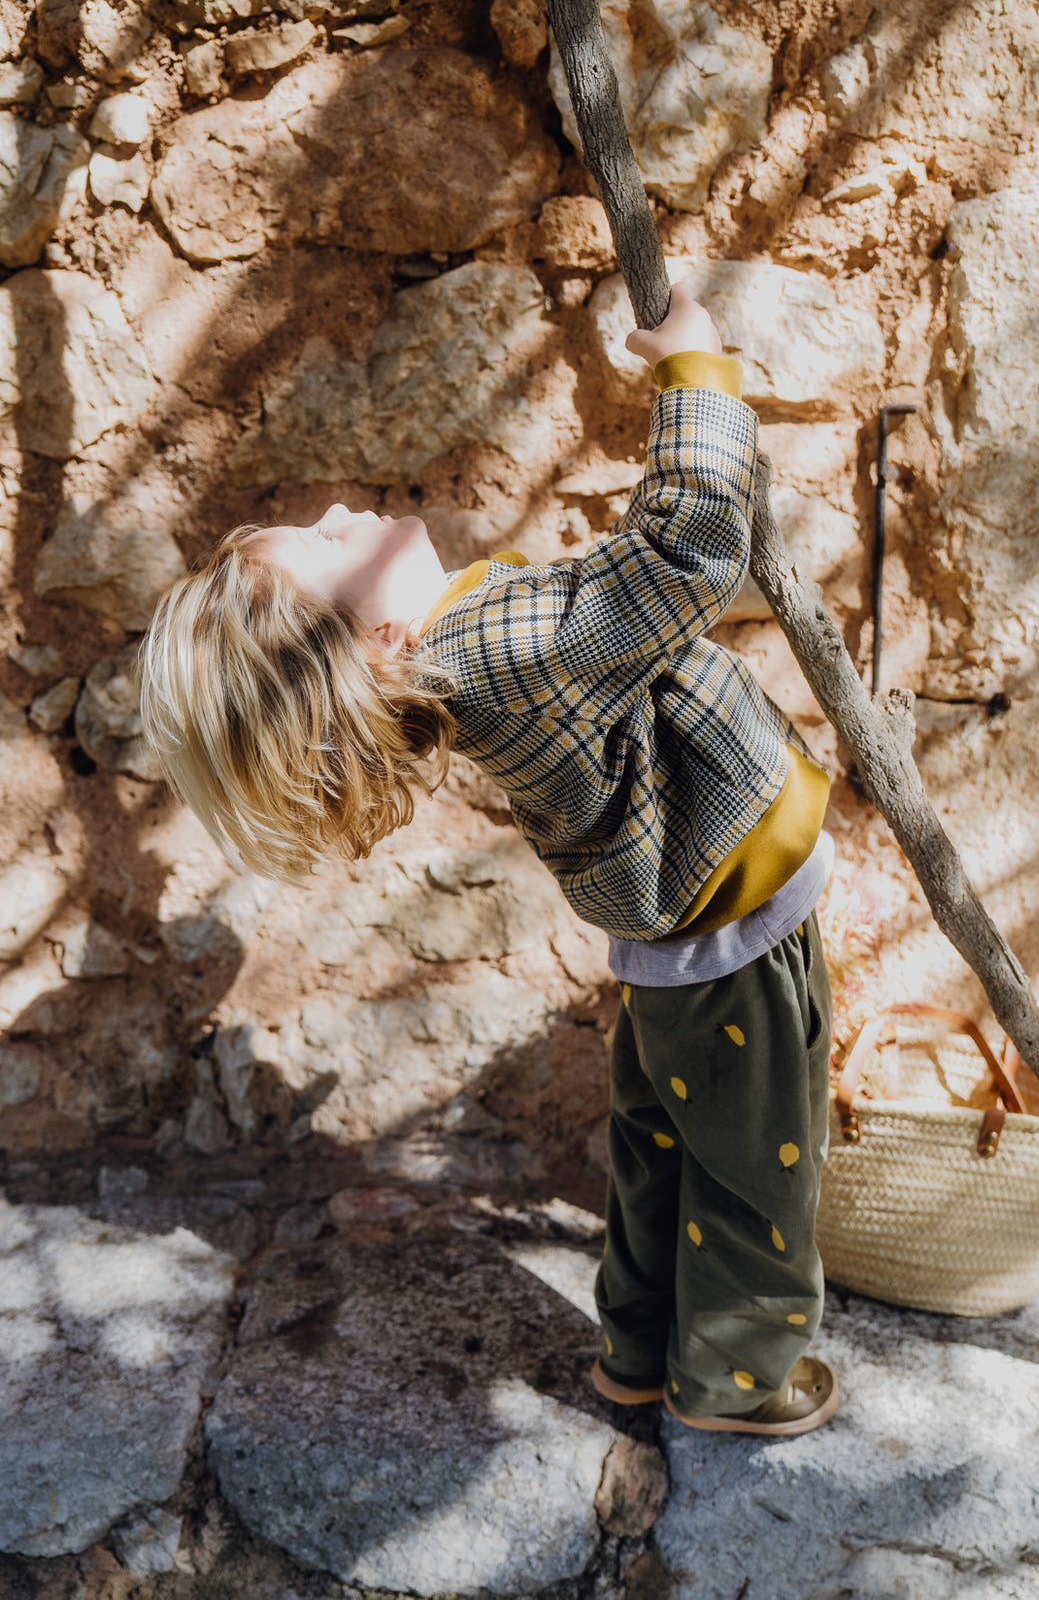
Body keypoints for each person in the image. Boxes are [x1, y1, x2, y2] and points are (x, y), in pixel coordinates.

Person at [140, 284, 838, 1436]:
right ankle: (739, 1383)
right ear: (373, 642)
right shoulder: (499, 650)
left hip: (686, 943)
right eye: (321, 545)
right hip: (737, 931)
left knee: (663, 1147)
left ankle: (636, 1354)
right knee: (760, 1165)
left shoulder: (468, 649)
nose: (332, 507)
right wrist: (697, 373)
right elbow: (686, 558)